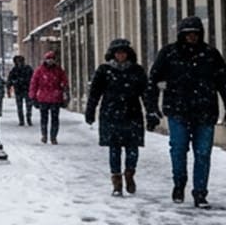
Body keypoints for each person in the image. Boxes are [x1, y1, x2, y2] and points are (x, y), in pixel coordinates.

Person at [148, 16, 226, 208]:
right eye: (188, 34)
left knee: (203, 154)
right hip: (178, 111)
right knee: (179, 149)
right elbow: (153, 80)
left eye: (195, 34)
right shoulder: (169, 54)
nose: (192, 37)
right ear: (182, 35)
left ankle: (200, 192)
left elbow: (223, 83)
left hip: (205, 111)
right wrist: (151, 108)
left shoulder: (211, 55)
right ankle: (179, 183)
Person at [86, 38, 154, 196]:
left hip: (132, 113)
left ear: (128, 54)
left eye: (123, 52)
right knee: (114, 148)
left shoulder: (136, 70)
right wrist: (90, 110)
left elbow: (146, 93)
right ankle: (116, 180)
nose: (121, 55)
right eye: (118, 53)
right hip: (111, 113)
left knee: (133, 148)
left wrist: (150, 111)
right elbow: (95, 93)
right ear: (113, 54)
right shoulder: (104, 70)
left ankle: (129, 173)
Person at [29, 50, 70, 144]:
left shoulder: (58, 70)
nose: (50, 61)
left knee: (54, 118)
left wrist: (65, 91)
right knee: (44, 118)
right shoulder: (40, 71)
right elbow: (34, 84)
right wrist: (33, 96)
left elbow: (65, 82)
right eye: (48, 59)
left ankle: (53, 136)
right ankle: (44, 135)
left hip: (55, 98)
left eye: (52, 59)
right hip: (44, 98)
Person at [7, 53, 35, 126]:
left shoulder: (26, 69)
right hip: (20, 90)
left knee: (26, 106)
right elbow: (10, 80)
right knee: (23, 106)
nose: (19, 63)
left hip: (24, 89)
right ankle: (23, 120)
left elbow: (33, 79)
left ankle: (26, 119)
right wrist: (9, 88)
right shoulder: (16, 70)